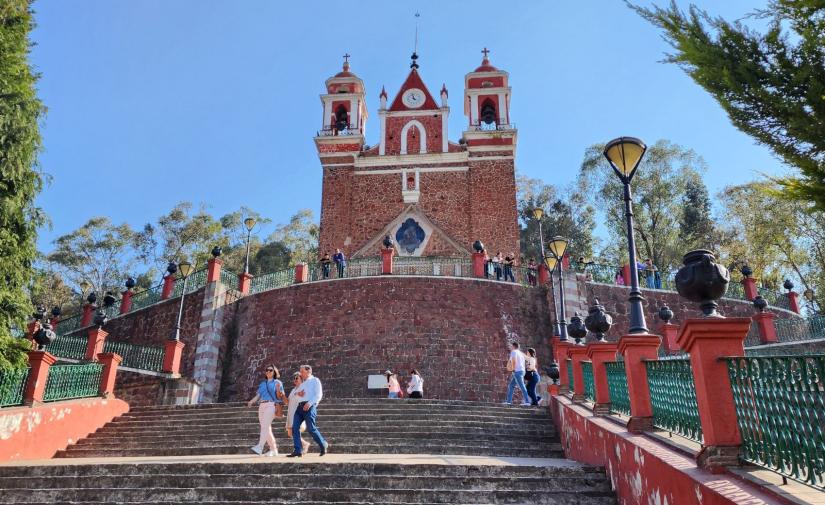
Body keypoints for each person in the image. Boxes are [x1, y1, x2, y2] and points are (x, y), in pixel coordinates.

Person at [287, 365, 329, 457]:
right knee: (294, 428)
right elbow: (295, 395)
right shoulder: (302, 383)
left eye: (302, 371)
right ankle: (298, 450)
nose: (300, 374)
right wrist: (298, 394)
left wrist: (309, 403)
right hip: (300, 407)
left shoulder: (315, 380)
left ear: (308, 371)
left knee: (311, 428)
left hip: (310, 406)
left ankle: (323, 445)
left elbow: (319, 395)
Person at [247, 365, 285, 457]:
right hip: (262, 405)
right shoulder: (262, 384)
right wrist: (252, 401)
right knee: (266, 428)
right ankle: (274, 449)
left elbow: (280, 396)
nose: (268, 371)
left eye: (270, 370)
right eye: (267, 370)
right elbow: (258, 395)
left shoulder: (277, 382)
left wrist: (278, 404)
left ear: (274, 372)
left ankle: (260, 447)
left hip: (271, 405)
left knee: (264, 426)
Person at [285, 372, 310, 455]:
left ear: (301, 379)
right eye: (294, 378)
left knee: (295, 431)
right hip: (291, 413)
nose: (295, 380)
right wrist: (281, 395)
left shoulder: (303, 388)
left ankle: (300, 448)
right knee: (290, 433)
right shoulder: (293, 390)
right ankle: (303, 444)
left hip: (298, 413)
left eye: (297, 378)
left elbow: (305, 399)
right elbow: (287, 402)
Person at [504, 341, 530, 406]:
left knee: (522, 386)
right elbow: (527, 359)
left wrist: (513, 369)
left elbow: (514, 361)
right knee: (511, 385)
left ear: (513, 346)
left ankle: (527, 402)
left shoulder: (513, 352)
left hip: (517, 371)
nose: (510, 347)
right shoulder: (520, 353)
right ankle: (508, 401)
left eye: (511, 346)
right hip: (522, 371)